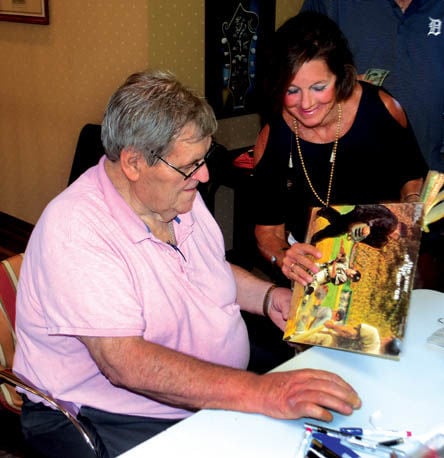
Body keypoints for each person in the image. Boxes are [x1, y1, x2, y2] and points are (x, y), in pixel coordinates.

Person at [12, 69, 361, 458]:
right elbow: (126, 364)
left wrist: (268, 297)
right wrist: (261, 391)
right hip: (110, 413)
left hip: (198, 393)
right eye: (190, 165)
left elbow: (205, 268)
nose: (205, 175)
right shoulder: (76, 229)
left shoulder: (171, 196)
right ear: (133, 163)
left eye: (204, 159)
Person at [251, 11, 428, 288]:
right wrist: (283, 256)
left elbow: (411, 175)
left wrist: (413, 205)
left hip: (385, 253)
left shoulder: (382, 110)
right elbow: (268, 231)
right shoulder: (273, 139)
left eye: (319, 87)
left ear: (342, 76)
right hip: (314, 266)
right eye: (292, 90)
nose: (306, 103)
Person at [298, 0, 444, 173]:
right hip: (344, 181)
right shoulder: (332, 4)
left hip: (435, 181)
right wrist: (336, 88)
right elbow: (289, 75)